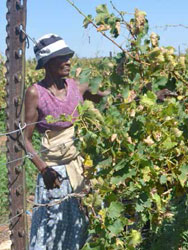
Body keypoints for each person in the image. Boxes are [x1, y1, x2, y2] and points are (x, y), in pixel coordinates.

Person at [24, 34, 109, 250]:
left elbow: (110, 97)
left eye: (68, 56)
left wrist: (151, 95)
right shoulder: (36, 93)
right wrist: (44, 170)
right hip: (55, 173)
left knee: (82, 224)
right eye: (62, 57)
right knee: (52, 227)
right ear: (47, 63)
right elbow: (23, 138)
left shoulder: (78, 87)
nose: (68, 61)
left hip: (79, 167)